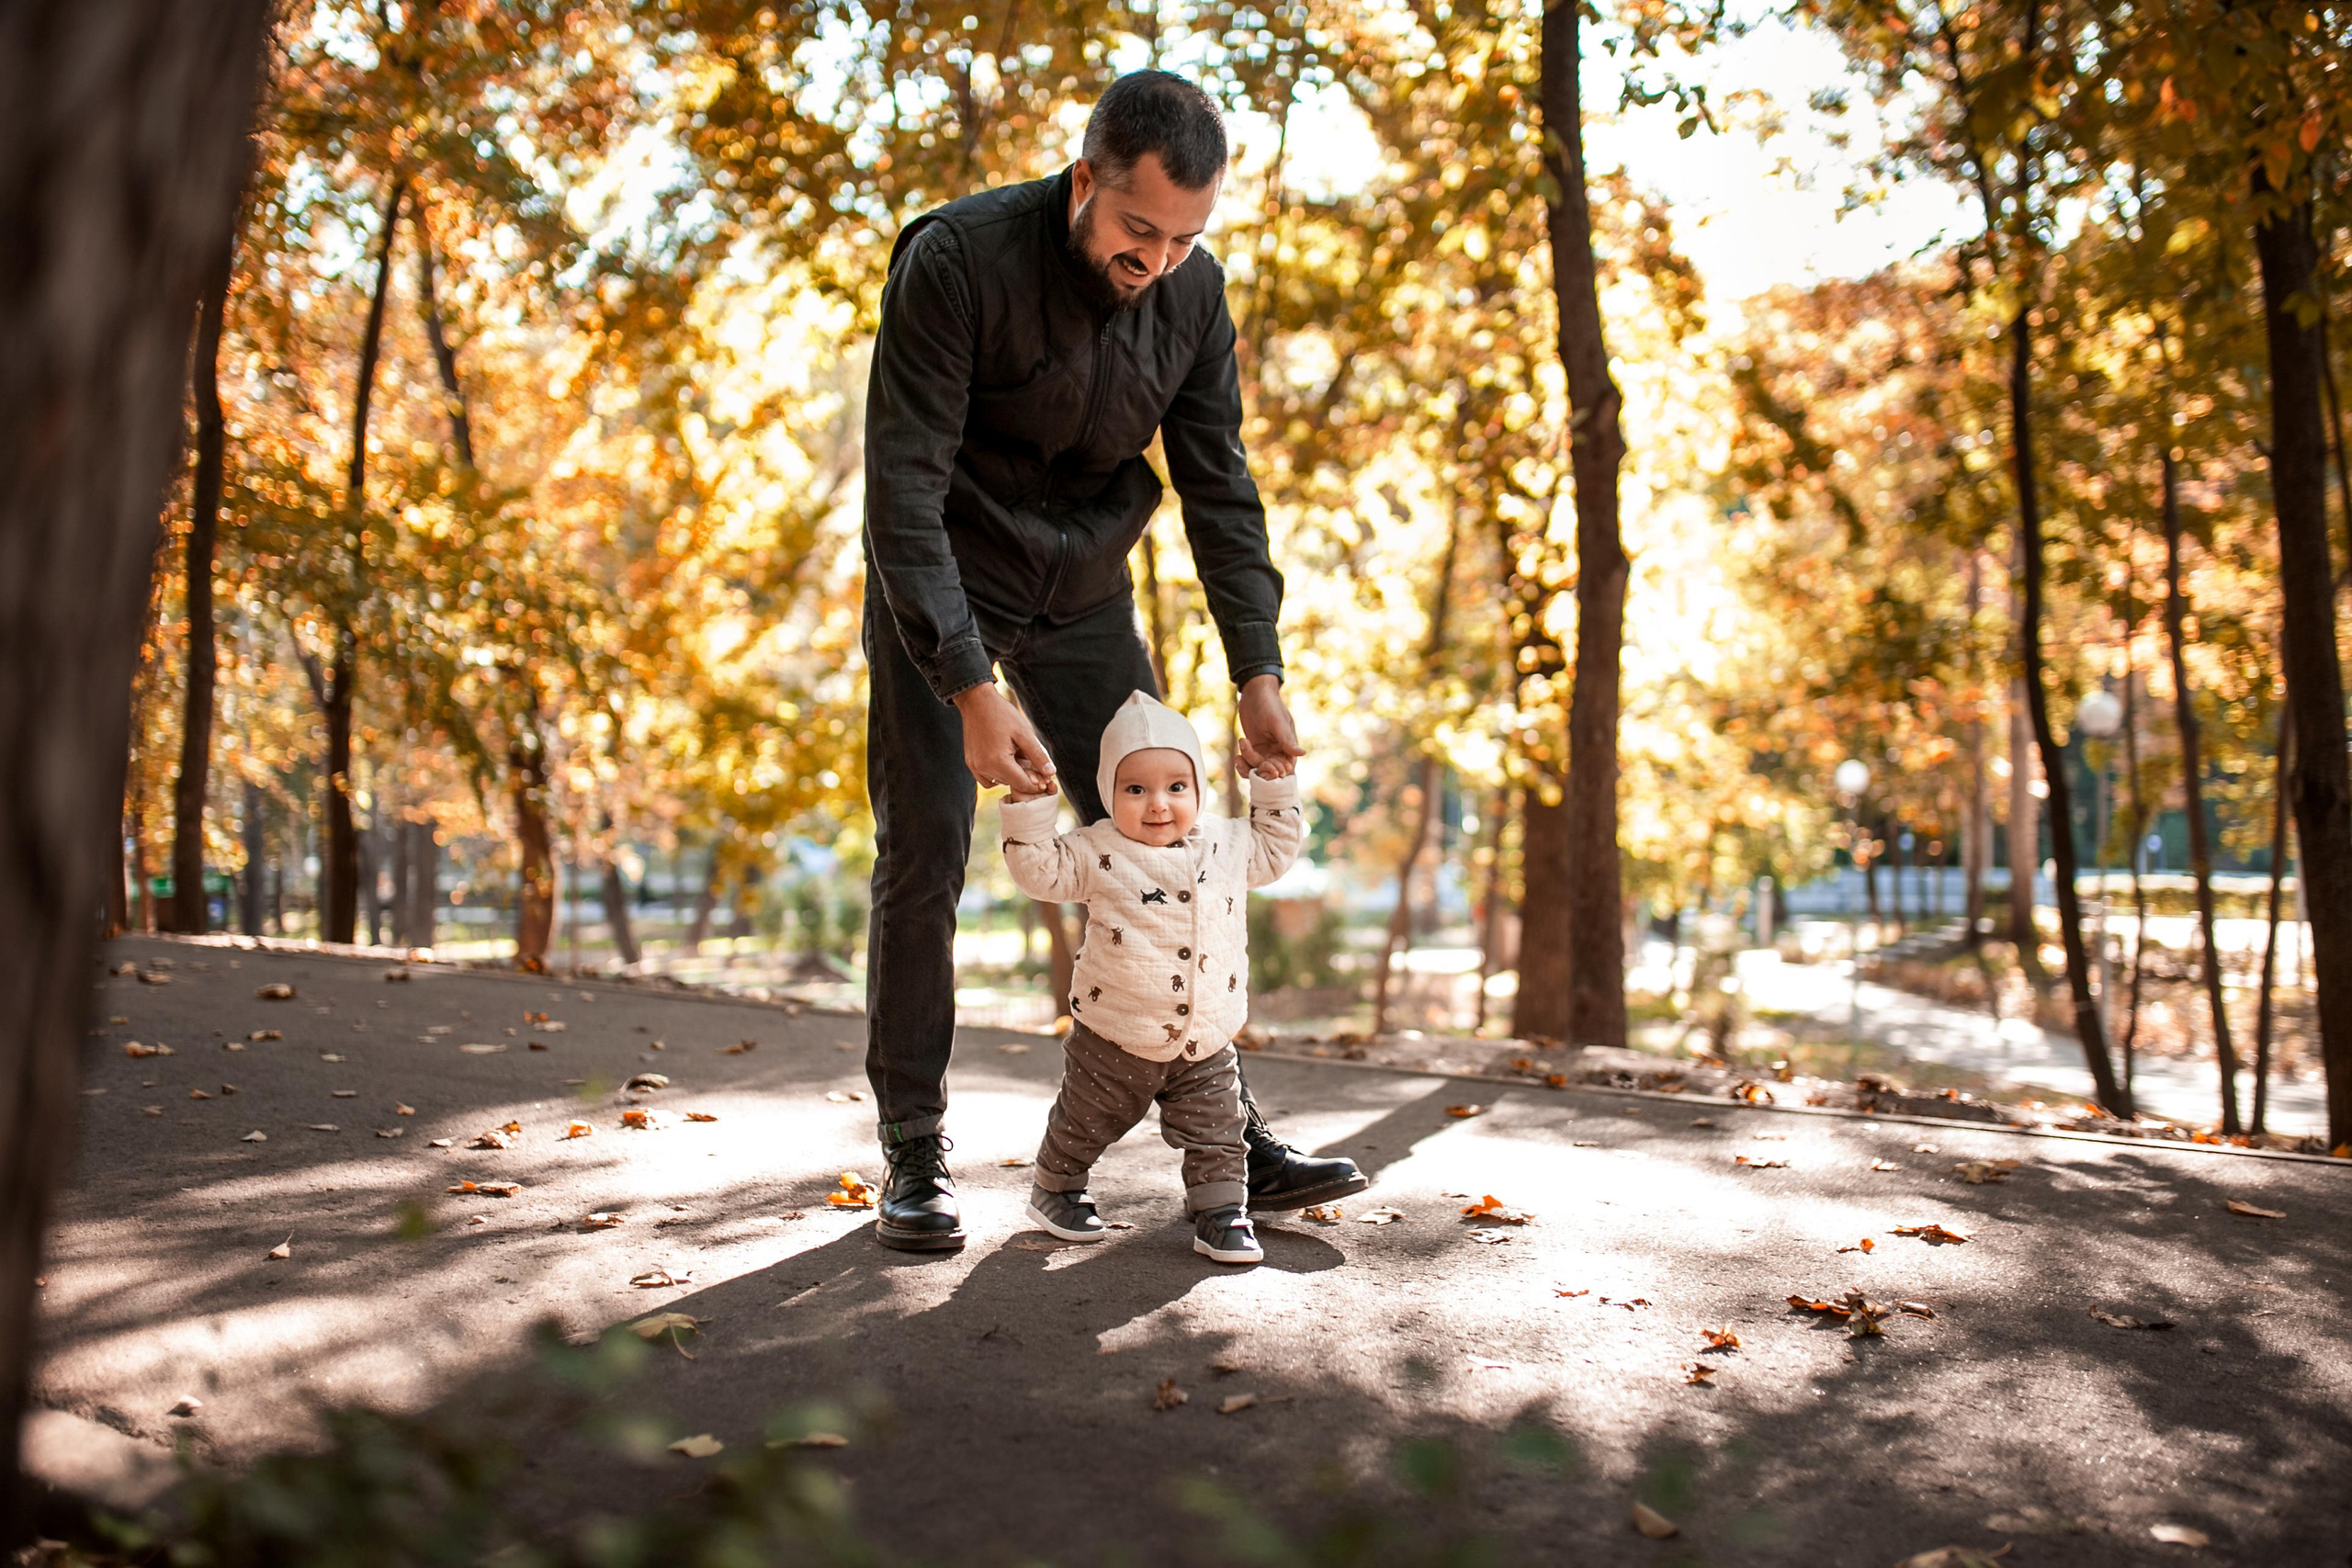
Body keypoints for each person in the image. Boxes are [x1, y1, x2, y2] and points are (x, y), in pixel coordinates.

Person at [860, 68, 1366, 1251]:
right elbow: (903, 488)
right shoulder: (956, 259)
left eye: (1187, 237)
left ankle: (1231, 1141)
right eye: (1140, 231)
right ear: (1085, 179)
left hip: (1085, 589)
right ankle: (913, 1153)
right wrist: (971, 685)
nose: (1158, 261)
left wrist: (1259, 671)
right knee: (926, 852)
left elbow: (1219, 489)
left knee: (1175, 848)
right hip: (940, 585)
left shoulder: (1193, 298)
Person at [1001, 692, 1302, 1264]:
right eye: (1135, 789)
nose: (1157, 804)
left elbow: (1277, 848)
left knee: (1218, 1128)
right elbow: (1037, 868)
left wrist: (1273, 784)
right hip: (1114, 1034)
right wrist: (1030, 804)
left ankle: (1221, 1212)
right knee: (1085, 1121)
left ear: (1199, 790)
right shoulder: (1095, 850)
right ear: (1110, 792)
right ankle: (1056, 1188)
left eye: (1176, 787)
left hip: (1206, 1036)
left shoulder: (1230, 843)